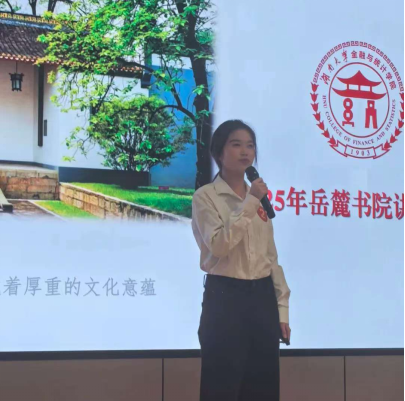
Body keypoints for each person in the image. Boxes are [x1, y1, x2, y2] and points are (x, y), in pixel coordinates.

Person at [192, 120, 292, 401]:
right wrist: (250, 202)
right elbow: (219, 246)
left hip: (262, 299)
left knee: (263, 387)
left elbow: (270, 258)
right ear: (219, 153)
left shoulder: (258, 200)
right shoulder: (206, 197)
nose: (245, 151)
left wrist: (282, 310)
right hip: (225, 298)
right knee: (221, 387)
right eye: (236, 144)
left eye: (250, 145)